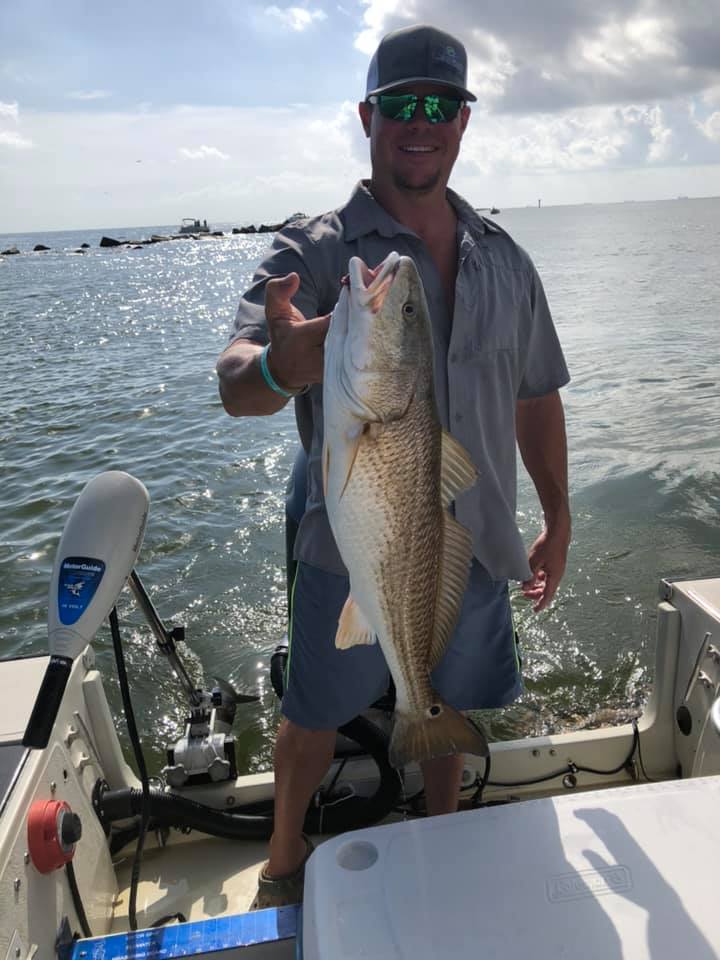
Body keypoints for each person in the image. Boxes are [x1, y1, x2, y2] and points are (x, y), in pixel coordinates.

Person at [216, 23, 571, 908]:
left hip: (476, 543)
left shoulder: (506, 259)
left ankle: (441, 843)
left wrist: (560, 517)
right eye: (403, 104)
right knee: (311, 711)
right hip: (350, 547)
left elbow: (536, 396)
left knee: (447, 711)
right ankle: (284, 860)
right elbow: (235, 382)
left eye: (441, 106)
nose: (423, 122)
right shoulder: (319, 248)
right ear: (369, 116)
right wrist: (276, 364)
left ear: (461, 123)